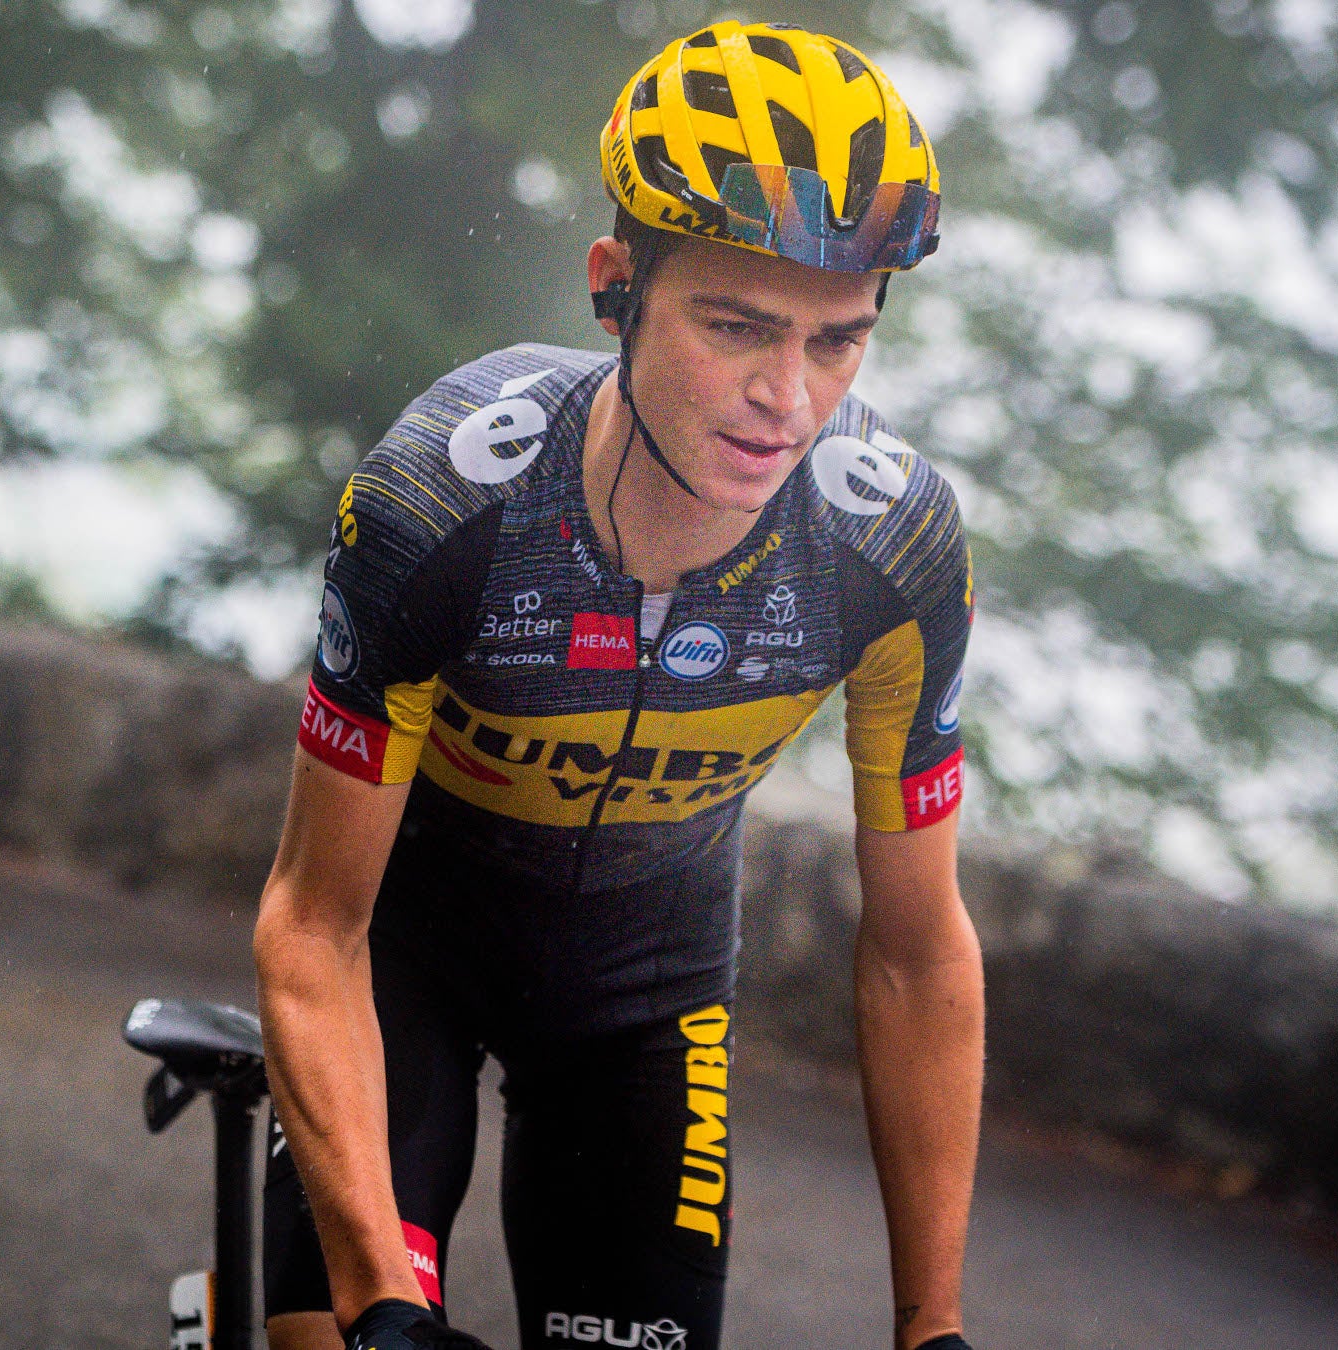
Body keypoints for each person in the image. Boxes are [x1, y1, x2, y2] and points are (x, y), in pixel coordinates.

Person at [253, 20, 980, 1350]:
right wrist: (377, 1300)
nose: (787, 397)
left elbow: (920, 950)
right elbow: (310, 926)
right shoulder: (445, 501)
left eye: (838, 342)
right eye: (737, 324)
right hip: (400, 963)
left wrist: (930, 1328)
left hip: (647, 996)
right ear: (613, 287)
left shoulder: (891, 554)